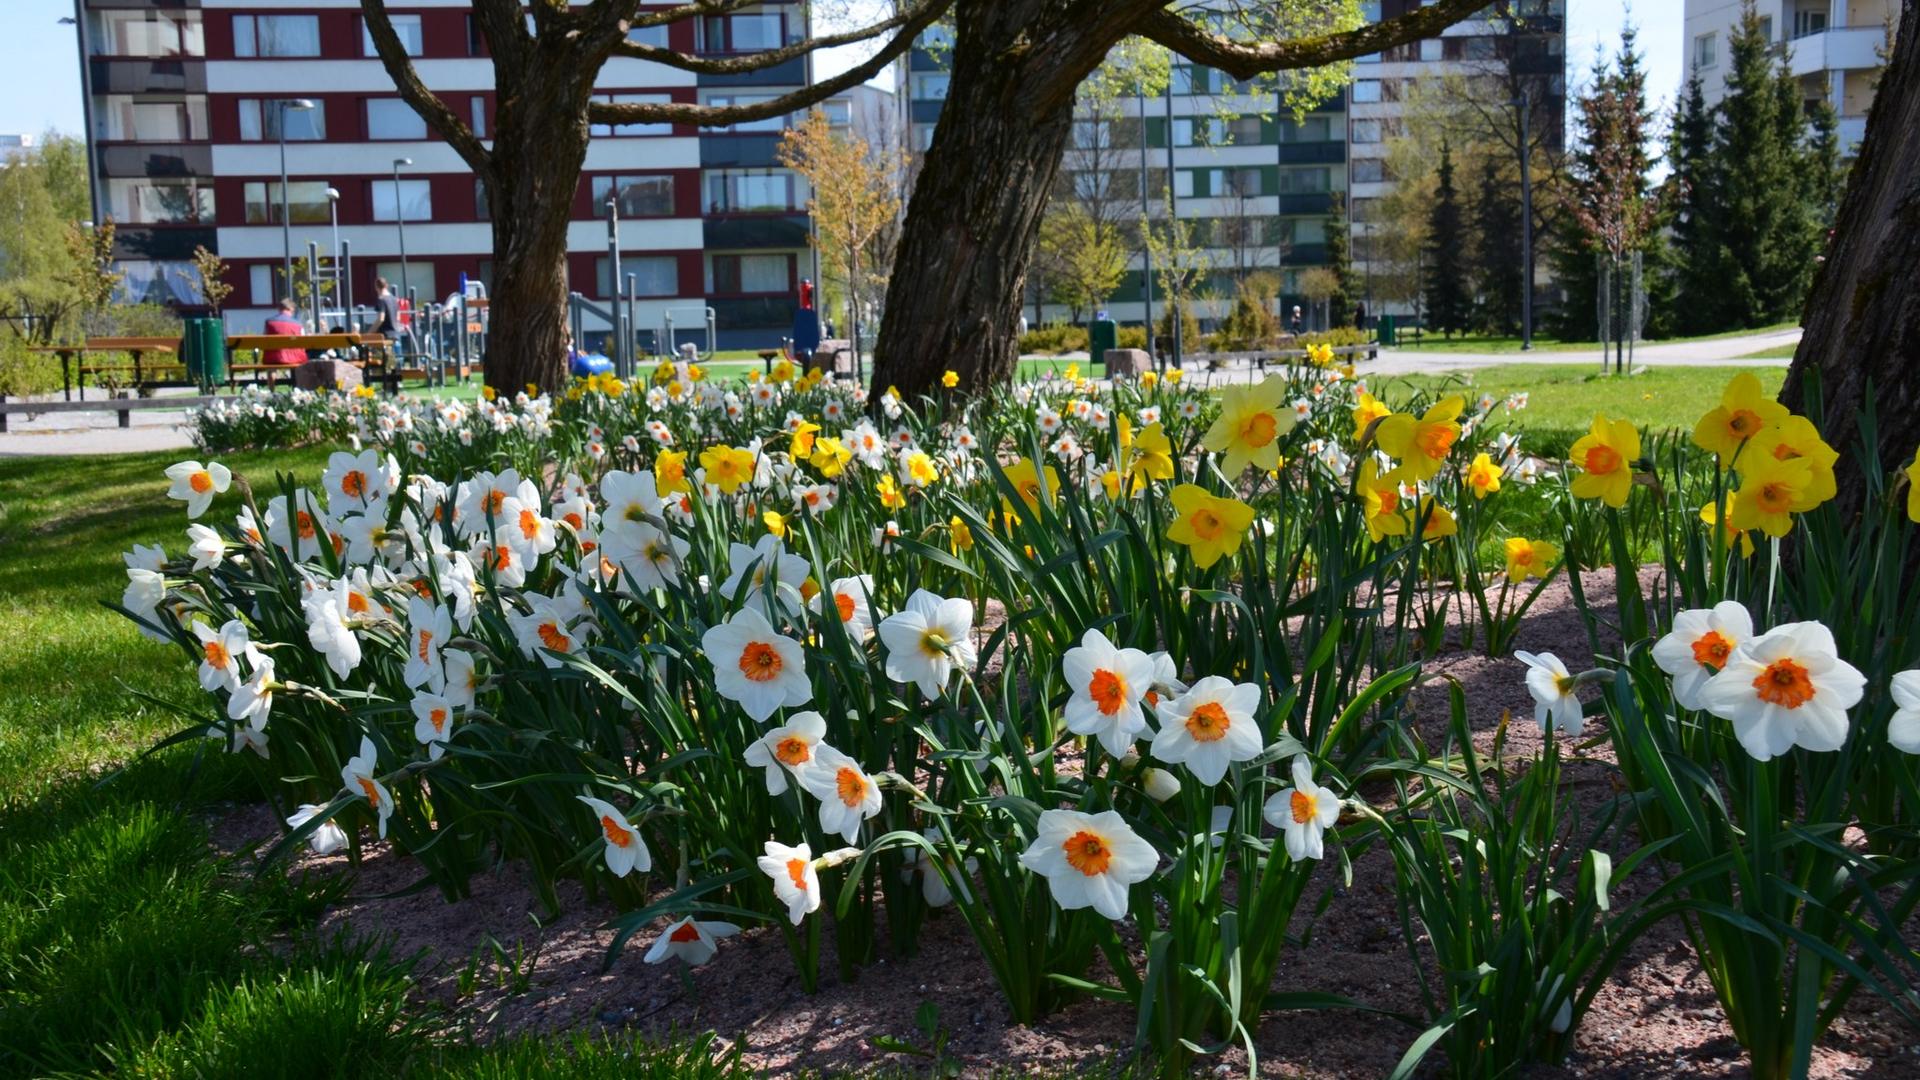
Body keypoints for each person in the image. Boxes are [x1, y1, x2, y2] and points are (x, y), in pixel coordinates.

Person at [263, 299, 307, 366]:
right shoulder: (298, 325)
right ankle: (296, 376)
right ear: (291, 309)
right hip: (296, 358)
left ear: (279, 309)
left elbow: (264, 339)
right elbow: (303, 343)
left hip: (272, 359)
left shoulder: (269, 322)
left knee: (271, 357)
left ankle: (272, 376)